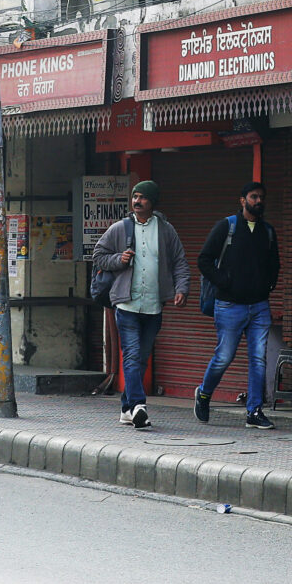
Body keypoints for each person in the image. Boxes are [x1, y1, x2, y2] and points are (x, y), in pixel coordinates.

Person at [91, 181, 188, 429]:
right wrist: (118, 259)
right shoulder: (120, 228)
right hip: (127, 305)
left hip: (154, 307)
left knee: (141, 358)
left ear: (153, 202)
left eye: (143, 197)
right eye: (135, 196)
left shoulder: (166, 230)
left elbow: (179, 261)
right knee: (132, 356)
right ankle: (139, 406)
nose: (137, 201)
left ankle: (126, 408)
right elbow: (98, 255)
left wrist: (181, 288)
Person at [194, 181, 282, 430]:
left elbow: (275, 264)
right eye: (253, 197)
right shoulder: (227, 226)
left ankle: (254, 411)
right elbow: (204, 259)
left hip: (259, 306)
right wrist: (225, 282)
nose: (258, 201)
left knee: (258, 359)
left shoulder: (268, 232)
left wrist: (268, 286)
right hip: (229, 306)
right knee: (224, 356)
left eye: (261, 197)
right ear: (242, 200)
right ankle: (203, 393)